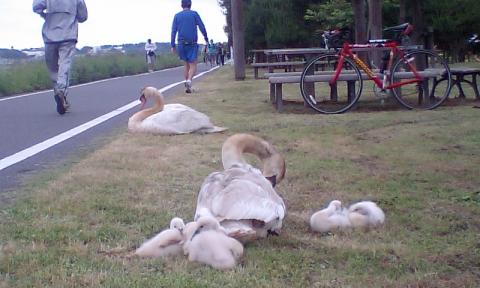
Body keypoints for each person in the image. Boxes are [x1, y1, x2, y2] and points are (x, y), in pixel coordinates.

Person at [32, 0, 88, 115]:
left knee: (53, 69)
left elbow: (36, 7)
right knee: (64, 64)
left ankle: (59, 92)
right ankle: (61, 91)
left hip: (50, 36)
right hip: (68, 35)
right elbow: (83, 17)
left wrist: (45, 15)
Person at [171, 0, 208, 93]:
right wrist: (206, 38)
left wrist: (172, 45)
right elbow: (201, 26)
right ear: (190, 5)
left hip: (181, 43)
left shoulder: (177, 16)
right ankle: (189, 81)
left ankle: (188, 87)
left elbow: (173, 31)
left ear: (181, 5)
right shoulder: (194, 14)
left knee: (186, 65)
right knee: (193, 65)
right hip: (192, 43)